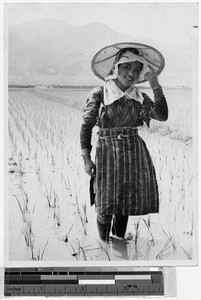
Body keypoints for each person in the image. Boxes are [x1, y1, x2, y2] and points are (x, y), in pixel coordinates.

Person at [80, 43, 168, 243]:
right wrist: (86, 159)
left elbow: (162, 115)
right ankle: (104, 245)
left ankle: (119, 242)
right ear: (116, 68)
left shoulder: (139, 97)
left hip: (134, 152)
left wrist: (155, 85)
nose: (132, 73)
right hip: (107, 153)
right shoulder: (100, 94)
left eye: (137, 70)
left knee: (126, 202)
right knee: (105, 202)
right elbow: (85, 127)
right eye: (127, 67)